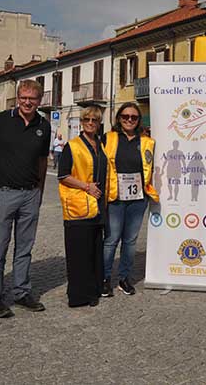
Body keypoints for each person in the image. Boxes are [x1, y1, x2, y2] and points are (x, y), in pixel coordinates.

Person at [0, 80, 50, 318]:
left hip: (31, 194)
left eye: (32, 98)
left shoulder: (44, 125)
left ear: (39, 100)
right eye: (23, 97)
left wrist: (40, 191)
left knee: (25, 248)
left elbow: (43, 160)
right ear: (18, 97)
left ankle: (22, 292)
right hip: (5, 193)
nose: (27, 102)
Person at [101, 102, 159, 297]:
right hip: (115, 197)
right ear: (119, 118)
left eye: (133, 117)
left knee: (130, 241)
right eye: (125, 116)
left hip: (138, 198)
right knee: (111, 239)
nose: (129, 120)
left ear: (138, 121)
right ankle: (104, 278)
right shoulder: (108, 138)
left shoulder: (147, 142)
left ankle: (124, 278)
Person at [57, 106, 109, 307]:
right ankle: (79, 296)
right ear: (81, 122)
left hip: (97, 206)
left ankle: (94, 290)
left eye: (94, 120)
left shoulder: (100, 144)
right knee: (78, 252)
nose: (90, 123)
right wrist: (87, 187)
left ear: (98, 123)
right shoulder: (73, 145)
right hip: (79, 205)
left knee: (94, 249)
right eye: (86, 119)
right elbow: (63, 175)